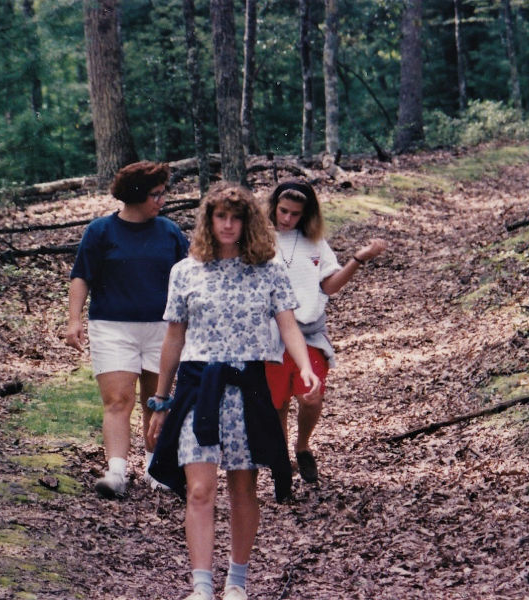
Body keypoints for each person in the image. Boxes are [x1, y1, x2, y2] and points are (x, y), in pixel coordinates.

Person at [146, 183, 320, 600]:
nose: (228, 224)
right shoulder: (184, 271)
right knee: (200, 488)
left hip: (248, 386)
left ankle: (236, 582)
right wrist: (159, 400)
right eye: (220, 216)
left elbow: (288, 326)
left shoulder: (269, 270)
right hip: (196, 386)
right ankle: (201, 586)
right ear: (208, 220)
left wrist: (304, 367)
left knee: (243, 487)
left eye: (236, 217)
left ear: (248, 222)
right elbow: (173, 339)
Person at [65, 161, 189, 498]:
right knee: (118, 401)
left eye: (163, 193)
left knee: (156, 401)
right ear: (134, 195)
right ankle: (116, 472)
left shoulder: (170, 232)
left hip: (163, 329)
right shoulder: (100, 231)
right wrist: (74, 320)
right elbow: (81, 276)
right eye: (155, 194)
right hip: (112, 327)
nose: (161, 200)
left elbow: (193, 276)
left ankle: (156, 468)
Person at [264, 180, 387, 483]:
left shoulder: (315, 243)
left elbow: (329, 285)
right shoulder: (259, 239)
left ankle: (302, 445)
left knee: (311, 396)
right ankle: (282, 461)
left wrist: (359, 259)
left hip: (308, 332)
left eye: (295, 213)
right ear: (273, 207)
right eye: (283, 211)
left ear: (307, 214)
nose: (287, 219)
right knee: (275, 402)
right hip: (267, 334)